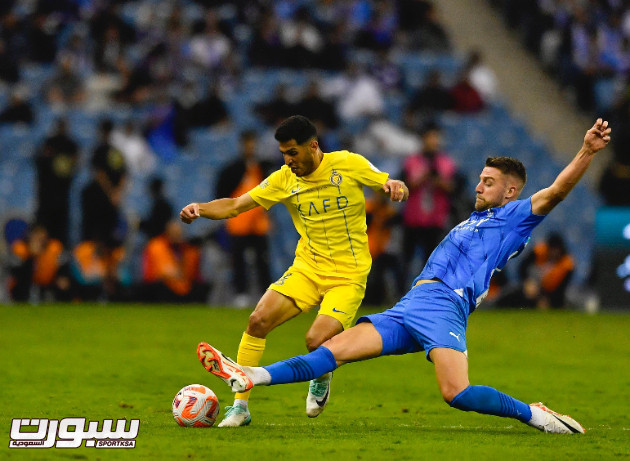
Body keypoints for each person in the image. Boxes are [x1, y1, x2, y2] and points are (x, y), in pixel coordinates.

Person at [197, 119, 611, 434]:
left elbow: (555, 191)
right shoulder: (472, 219)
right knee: (331, 350)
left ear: (510, 192)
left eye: (489, 182)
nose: (479, 186)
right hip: (411, 304)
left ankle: (534, 415)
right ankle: (250, 376)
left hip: (445, 306)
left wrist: (586, 151)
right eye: (481, 179)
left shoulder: (514, 218)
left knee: (458, 395)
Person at [180, 115, 408, 427]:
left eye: (292, 153)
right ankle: (240, 408)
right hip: (307, 269)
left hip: (348, 275)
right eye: (283, 154)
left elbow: (386, 182)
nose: (287, 161)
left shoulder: (347, 163)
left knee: (316, 341)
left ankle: (321, 372)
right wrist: (200, 208)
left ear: (313, 147)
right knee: (258, 320)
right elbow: (235, 206)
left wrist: (395, 186)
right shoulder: (283, 180)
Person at [215, 130, 275, 307]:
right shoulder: (232, 169)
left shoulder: (263, 167)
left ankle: (267, 296)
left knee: (262, 261)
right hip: (239, 222)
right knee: (239, 260)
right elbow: (221, 193)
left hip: (258, 223)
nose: (250, 146)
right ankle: (240, 294)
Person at [401, 120, 457, 286]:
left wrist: (438, 180)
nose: (434, 141)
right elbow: (404, 187)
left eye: (436, 137)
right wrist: (423, 177)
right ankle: (401, 293)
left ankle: (429, 292)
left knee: (432, 260)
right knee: (407, 259)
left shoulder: (446, 163)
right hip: (413, 219)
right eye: (431, 137)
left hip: (436, 219)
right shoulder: (411, 162)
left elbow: (453, 188)